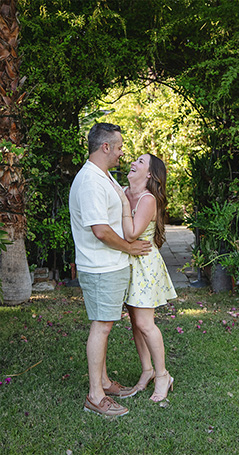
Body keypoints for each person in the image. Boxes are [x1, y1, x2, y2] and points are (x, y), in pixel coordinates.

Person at [69, 122, 152, 417]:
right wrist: (130, 247)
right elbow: (101, 231)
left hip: (109, 266)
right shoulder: (90, 181)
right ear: (105, 147)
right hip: (100, 267)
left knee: (104, 325)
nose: (121, 153)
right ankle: (95, 396)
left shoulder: (102, 175)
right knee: (101, 326)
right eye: (118, 147)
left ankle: (104, 382)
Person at [120, 153, 177, 402]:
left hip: (144, 265)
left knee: (145, 323)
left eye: (140, 162)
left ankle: (163, 375)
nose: (133, 163)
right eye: (135, 160)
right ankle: (147, 370)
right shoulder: (124, 191)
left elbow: (131, 234)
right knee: (135, 322)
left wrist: (123, 204)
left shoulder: (147, 199)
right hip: (127, 263)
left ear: (150, 174)